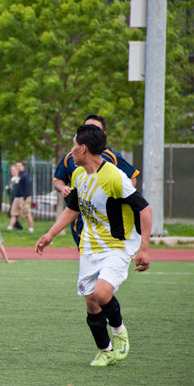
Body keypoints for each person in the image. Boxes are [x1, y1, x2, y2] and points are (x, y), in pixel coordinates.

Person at [35, 124, 151, 367]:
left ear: (84, 148)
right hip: (88, 248)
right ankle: (105, 350)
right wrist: (50, 234)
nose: (72, 150)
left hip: (116, 246)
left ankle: (119, 332)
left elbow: (145, 208)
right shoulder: (77, 175)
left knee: (101, 294)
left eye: (75, 145)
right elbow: (73, 208)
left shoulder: (114, 177)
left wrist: (144, 249)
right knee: (90, 302)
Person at [53, 114, 140, 247]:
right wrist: (63, 187)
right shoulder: (72, 158)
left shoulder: (112, 159)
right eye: (87, 127)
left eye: (94, 128)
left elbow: (132, 180)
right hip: (81, 219)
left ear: (102, 134)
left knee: (107, 256)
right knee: (88, 254)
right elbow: (58, 181)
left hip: (107, 224)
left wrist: (119, 199)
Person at [7, 161, 34, 232]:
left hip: (23, 197)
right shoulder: (18, 175)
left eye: (19, 166)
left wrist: (25, 197)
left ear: (23, 167)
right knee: (13, 213)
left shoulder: (24, 175)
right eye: (17, 166)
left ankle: (30, 229)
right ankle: (10, 228)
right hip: (17, 197)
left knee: (27, 213)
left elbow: (27, 186)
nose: (18, 167)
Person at [4, 164, 23, 230]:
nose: (12, 171)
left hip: (17, 198)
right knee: (12, 213)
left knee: (12, 213)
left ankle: (18, 227)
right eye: (11, 170)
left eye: (14, 170)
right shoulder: (12, 179)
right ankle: (16, 227)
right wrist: (8, 189)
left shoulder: (18, 178)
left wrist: (11, 189)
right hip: (12, 198)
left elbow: (17, 188)